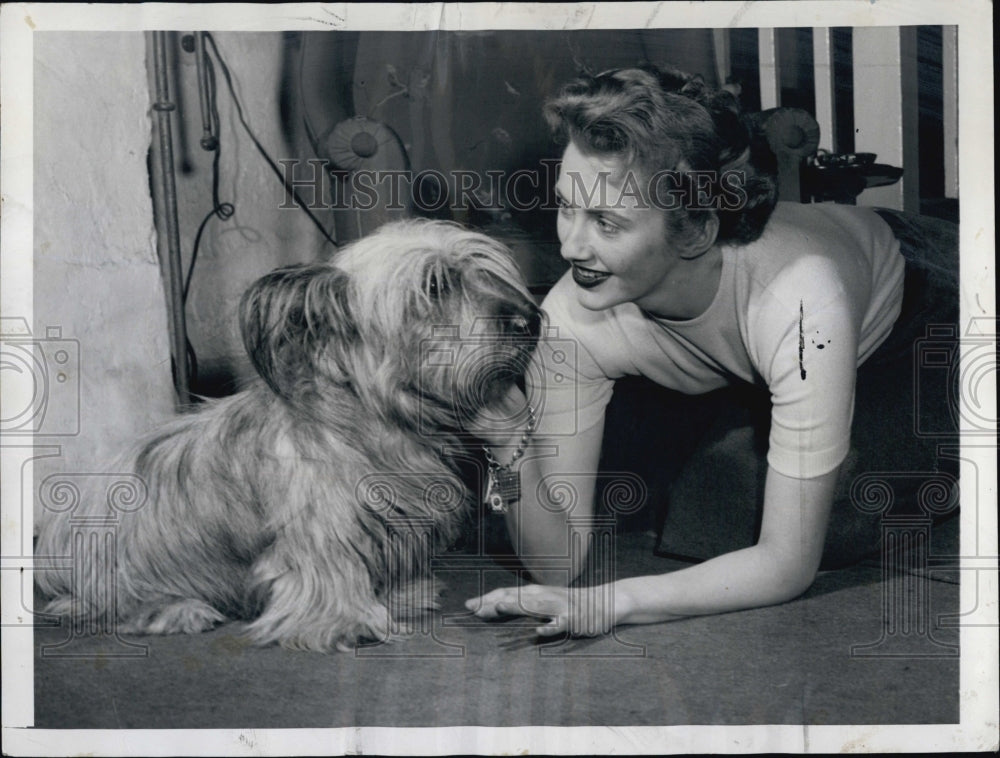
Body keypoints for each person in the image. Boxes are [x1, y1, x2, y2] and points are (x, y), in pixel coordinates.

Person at [464, 65, 919, 637]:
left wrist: (615, 603)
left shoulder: (805, 309)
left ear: (696, 229)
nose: (569, 244)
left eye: (606, 221)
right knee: (699, 503)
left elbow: (786, 564)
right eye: (566, 206)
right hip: (737, 364)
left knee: (787, 522)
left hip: (909, 309)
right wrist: (510, 450)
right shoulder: (572, 313)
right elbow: (557, 562)